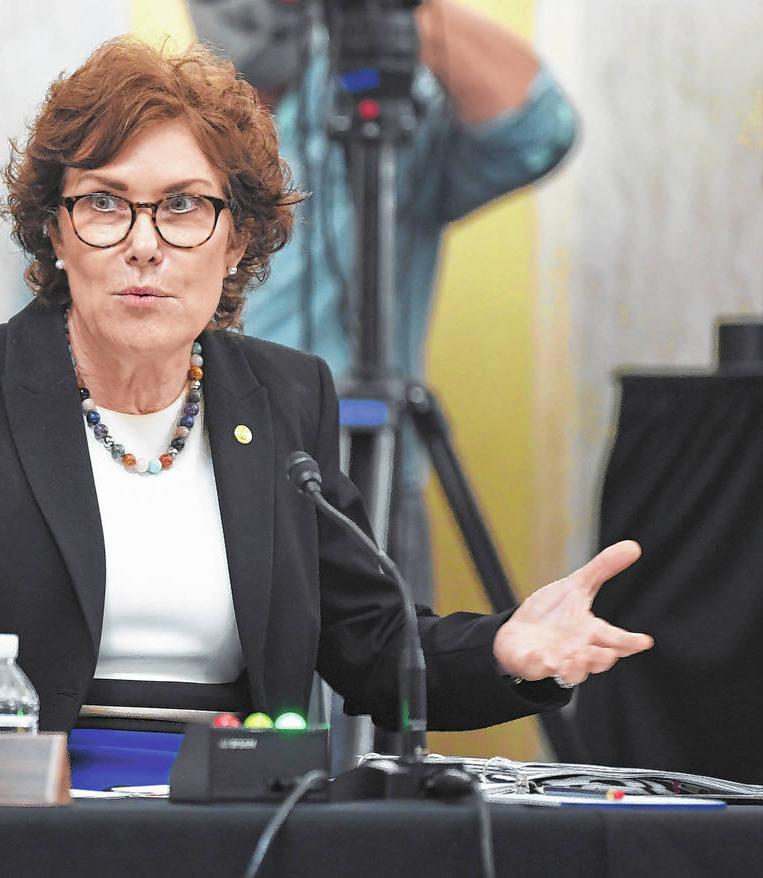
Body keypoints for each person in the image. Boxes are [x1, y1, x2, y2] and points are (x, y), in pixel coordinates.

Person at [0, 37, 647, 788]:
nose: (145, 244)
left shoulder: (284, 397)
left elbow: (373, 645)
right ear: (56, 234)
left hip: (231, 831)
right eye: (105, 205)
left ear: (237, 245)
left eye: (185, 208)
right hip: (0, 835)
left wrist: (511, 652)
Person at [188, 0, 579, 601]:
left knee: (388, 683)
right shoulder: (166, 124)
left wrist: (391, 11)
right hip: (203, 479)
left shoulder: (375, 101)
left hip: (373, 477)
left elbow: (540, 131)